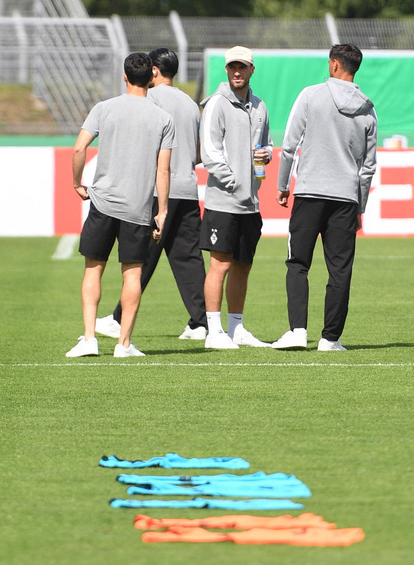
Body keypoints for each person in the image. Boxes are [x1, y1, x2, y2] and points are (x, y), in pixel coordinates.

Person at [66, 51, 175, 358]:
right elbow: (163, 170)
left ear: (125, 76)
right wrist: (162, 211)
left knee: (93, 269)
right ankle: (123, 344)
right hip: (138, 208)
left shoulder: (104, 108)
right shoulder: (163, 118)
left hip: (103, 203)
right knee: (132, 274)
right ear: (151, 77)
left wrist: (77, 183)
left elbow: (79, 149)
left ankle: (89, 339)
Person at [94, 47, 207, 342]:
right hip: (188, 188)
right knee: (188, 258)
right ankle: (201, 322)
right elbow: (197, 152)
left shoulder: (149, 97)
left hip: (159, 190)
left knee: (140, 258)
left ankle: (118, 320)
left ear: (153, 70)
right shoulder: (191, 104)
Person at [273, 43, 377, 351]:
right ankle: (330, 339)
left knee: (298, 262)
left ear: (334, 65)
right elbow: (368, 167)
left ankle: (297, 331)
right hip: (345, 198)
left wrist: (282, 185)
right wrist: (359, 206)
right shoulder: (368, 109)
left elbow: (290, 146)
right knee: (340, 270)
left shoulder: (310, 95)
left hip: (309, 191)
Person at [199, 45, 272, 349]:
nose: (237, 72)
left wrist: (266, 155)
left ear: (252, 69)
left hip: (250, 204)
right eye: (232, 67)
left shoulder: (260, 106)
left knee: (243, 265)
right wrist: (235, 182)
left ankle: (236, 328)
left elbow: (266, 145)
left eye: (242, 67)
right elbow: (210, 152)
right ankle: (214, 331)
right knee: (220, 266)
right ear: (226, 69)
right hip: (224, 201)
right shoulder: (216, 103)